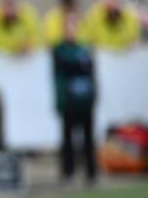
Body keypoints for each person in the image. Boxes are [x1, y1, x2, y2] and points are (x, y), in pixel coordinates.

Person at [51, 12, 97, 184]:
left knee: (88, 137)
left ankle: (91, 172)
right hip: (69, 101)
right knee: (68, 138)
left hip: (84, 101)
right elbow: (69, 67)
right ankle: (68, 172)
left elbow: (88, 69)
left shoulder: (83, 48)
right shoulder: (59, 50)